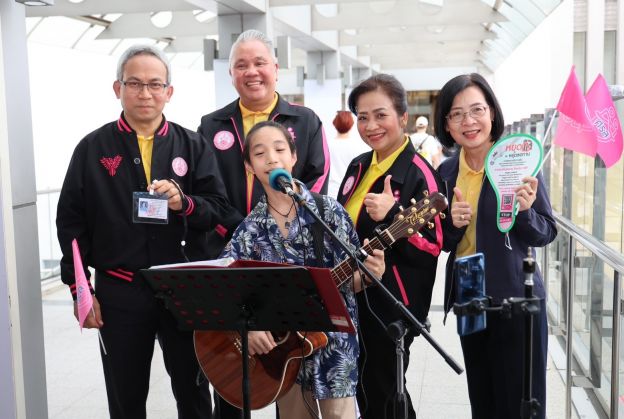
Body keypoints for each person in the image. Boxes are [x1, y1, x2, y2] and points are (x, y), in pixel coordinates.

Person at [56, 45, 229, 419]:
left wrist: (185, 203)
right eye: (134, 83)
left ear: (169, 91)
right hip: (120, 290)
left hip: (184, 288)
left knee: (194, 392)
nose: (145, 93)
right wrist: (79, 291)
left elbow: (219, 209)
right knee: (125, 396)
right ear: (117, 88)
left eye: (155, 84)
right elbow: (70, 223)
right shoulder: (92, 148)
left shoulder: (193, 145)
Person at [220, 120, 385, 419]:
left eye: (279, 149)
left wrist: (370, 274)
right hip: (284, 359)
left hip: (336, 350)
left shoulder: (329, 213)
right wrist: (248, 328)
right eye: (260, 153)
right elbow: (224, 287)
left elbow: (351, 282)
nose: (271, 159)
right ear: (249, 166)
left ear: (294, 156)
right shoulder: (249, 230)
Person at [434, 73, 557, 419]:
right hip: (469, 294)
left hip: (516, 298)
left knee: (521, 402)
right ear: (447, 124)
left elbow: (546, 232)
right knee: (483, 398)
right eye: (457, 114)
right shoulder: (445, 172)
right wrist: (452, 225)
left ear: (492, 112)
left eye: (477, 110)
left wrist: (525, 212)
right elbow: (441, 242)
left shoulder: (517, 163)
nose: (468, 121)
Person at [336, 74, 445, 419]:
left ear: (403, 117)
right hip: (352, 293)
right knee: (363, 388)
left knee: (383, 390)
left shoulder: (419, 172)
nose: (371, 126)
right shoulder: (358, 165)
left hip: (392, 304)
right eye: (363, 117)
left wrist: (394, 213)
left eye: (380, 115)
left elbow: (433, 245)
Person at [198, 29, 330, 260]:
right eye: (241, 66)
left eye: (260, 63)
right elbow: (204, 186)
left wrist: (287, 224)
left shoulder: (305, 120)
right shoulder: (211, 125)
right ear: (231, 73)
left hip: (292, 244)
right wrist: (239, 228)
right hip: (229, 244)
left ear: (276, 69)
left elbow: (318, 177)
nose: (251, 72)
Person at [327, 110, 370, 198]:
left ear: (334, 123)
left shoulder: (326, 145)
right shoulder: (360, 146)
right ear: (351, 124)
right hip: (351, 192)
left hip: (330, 192)